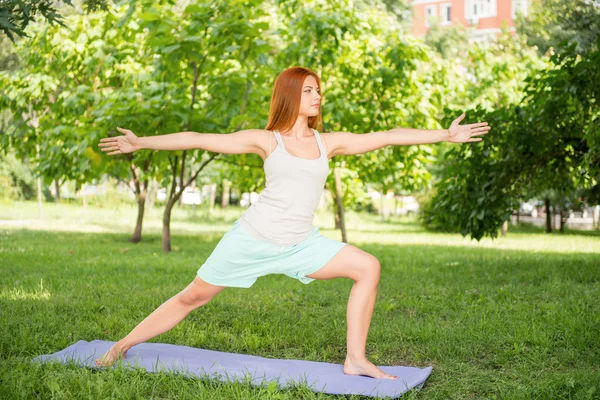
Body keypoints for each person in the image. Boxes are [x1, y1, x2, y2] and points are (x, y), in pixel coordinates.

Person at [96, 66, 490, 379]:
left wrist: (444, 135)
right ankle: (122, 345)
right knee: (193, 296)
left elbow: (385, 136)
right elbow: (199, 137)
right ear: (289, 95)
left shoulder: (326, 142)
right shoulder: (268, 140)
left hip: (302, 244)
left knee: (368, 266)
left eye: (318, 90)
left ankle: (355, 358)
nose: (317, 96)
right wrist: (142, 141)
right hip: (253, 238)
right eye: (308, 90)